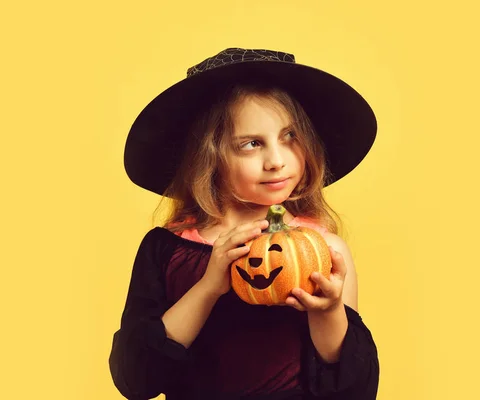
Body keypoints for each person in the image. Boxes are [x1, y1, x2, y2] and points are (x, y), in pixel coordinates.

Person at [109, 48, 380, 400]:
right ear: (209, 159)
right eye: (251, 144)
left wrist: (328, 311)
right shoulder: (166, 248)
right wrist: (208, 287)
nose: (277, 161)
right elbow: (136, 380)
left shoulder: (325, 249)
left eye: (289, 137)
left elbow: (354, 390)